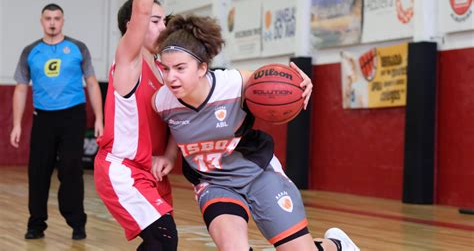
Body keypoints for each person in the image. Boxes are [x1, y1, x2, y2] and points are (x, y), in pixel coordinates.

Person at [152, 15, 360, 251]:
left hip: (257, 172)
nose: (171, 77)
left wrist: (303, 82)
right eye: (166, 69)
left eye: (180, 68)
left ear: (202, 67)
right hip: (214, 183)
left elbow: (275, 82)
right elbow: (174, 126)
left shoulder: (233, 83)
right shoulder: (162, 101)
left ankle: (338, 245)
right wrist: (169, 156)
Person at [93, 0, 177, 250]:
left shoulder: (167, 69)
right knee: (164, 238)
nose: (163, 26)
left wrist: (168, 156)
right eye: (155, 21)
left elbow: (176, 124)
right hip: (123, 169)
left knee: (162, 243)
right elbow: (140, 11)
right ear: (135, 27)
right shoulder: (129, 63)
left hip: (153, 171)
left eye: (165, 20)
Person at [10, 2, 104, 240]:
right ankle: (36, 224)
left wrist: (100, 119)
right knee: (38, 172)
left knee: (71, 169)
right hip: (43, 118)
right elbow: (21, 89)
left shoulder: (77, 48)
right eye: (48, 18)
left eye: (57, 18)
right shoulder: (30, 51)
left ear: (63, 21)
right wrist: (18, 124)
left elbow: (92, 84)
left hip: (73, 116)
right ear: (41, 21)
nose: (52, 22)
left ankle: (77, 223)